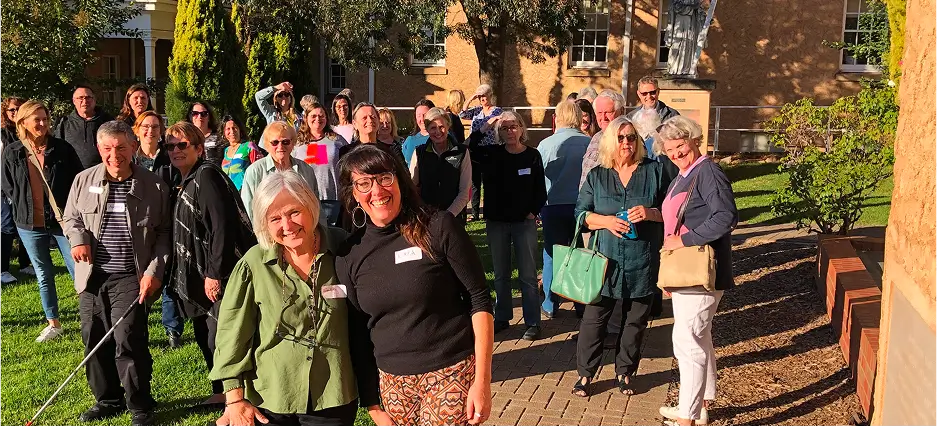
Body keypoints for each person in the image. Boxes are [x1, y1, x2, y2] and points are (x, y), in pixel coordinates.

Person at [336, 144, 494, 426]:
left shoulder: (437, 227)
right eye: (364, 183)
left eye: (385, 178)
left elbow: (479, 299)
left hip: (450, 373)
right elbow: (359, 333)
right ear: (353, 195)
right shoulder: (350, 255)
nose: (378, 191)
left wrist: (482, 382)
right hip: (393, 386)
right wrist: (373, 406)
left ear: (399, 180)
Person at [212, 171, 368, 427]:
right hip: (270, 396)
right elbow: (232, 333)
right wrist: (234, 398)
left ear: (311, 206)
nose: (287, 225)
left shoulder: (344, 247)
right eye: (275, 218)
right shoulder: (254, 264)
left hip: (332, 395)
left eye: (294, 212)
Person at [62, 120, 170, 427]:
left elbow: (163, 234)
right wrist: (79, 239)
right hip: (92, 277)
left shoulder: (155, 186)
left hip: (130, 276)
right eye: (108, 148)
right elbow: (70, 217)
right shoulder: (83, 180)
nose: (115, 155)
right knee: (93, 337)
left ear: (133, 147)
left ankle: (140, 405)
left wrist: (154, 272)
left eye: (121, 148)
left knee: (128, 339)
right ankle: (108, 399)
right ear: (99, 149)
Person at [572, 116, 674, 398]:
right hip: (604, 261)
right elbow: (580, 215)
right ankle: (585, 374)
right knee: (594, 320)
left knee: (635, 321)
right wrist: (604, 222)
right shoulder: (598, 175)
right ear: (610, 142)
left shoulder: (655, 171)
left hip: (642, 258)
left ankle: (625, 372)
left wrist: (651, 214)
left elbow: (675, 211)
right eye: (620, 138)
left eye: (631, 137)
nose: (627, 143)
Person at [165, 121, 256, 405]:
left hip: (220, 272)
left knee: (221, 335)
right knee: (206, 332)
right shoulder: (186, 179)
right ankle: (221, 391)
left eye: (183, 145)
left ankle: (238, 394)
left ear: (199, 148)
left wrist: (214, 273)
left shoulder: (206, 176)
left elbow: (223, 226)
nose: (176, 151)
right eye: (170, 146)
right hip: (201, 271)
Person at [656, 116, 737, 427]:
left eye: (680, 146)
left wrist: (684, 240)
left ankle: (687, 417)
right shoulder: (684, 175)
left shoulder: (708, 172)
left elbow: (726, 217)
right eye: (669, 149)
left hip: (702, 270)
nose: (676, 153)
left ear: (694, 140)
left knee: (687, 341)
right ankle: (700, 405)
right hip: (685, 270)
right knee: (698, 338)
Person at [0, 100, 82, 342]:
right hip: (28, 224)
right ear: (22, 122)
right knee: (44, 274)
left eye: (45, 118)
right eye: (36, 119)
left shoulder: (62, 149)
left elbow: (77, 181)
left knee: (79, 270)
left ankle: (91, 316)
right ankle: (53, 323)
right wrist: (22, 205)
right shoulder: (13, 151)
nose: (42, 123)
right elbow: (7, 184)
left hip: (61, 221)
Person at [468, 112, 546, 341]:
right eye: (505, 128)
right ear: (499, 133)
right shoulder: (491, 155)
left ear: (521, 129)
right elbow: (470, 145)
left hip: (524, 222)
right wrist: (487, 125)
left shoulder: (533, 156)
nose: (510, 131)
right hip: (497, 221)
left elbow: (540, 188)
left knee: (528, 274)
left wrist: (533, 211)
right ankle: (502, 316)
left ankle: (532, 321)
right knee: (501, 272)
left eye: (514, 127)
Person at [130, 111, 184, 349]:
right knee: (139, 276)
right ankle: (137, 326)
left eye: (155, 127)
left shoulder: (169, 157)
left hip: (166, 222)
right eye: (145, 126)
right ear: (137, 129)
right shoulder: (129, 157)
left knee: (168, 276)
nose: (150, 131)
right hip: (137, 227)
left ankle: (173, 329)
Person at [537, 100, 591, 319]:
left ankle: (550, 302)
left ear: (557, 117)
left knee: (552, 254)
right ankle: (580, 303)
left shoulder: (546, 144)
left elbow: (539, 178)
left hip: (553, 204)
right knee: (578, 252)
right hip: (580, 205)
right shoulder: (588, 142)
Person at [242, 122, 319, 222]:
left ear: (293, 143)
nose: (280, 146)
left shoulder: (306, 170)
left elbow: (316, 207)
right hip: (266, 234)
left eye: (285, 142)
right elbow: (247, 212)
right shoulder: (254, 172)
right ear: (267, 145)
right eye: (275, 142)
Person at [409, 107, 472, 219]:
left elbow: (465, 191)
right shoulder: (419, 153)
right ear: (427, 129)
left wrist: (448, 216)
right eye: (433, 128)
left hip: (453, 218)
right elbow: (412, 187)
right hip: (427, 218)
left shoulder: (462, 152)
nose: (438, 132)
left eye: (441, 127)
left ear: (448, 126)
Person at [295, 102, 347, 226]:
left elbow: (349, 163)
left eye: (321, 116)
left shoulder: (337, 140)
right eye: (313, 116)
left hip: (331, 199)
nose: (317, 119)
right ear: (306, 118)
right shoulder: (297, 143)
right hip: (306, 199)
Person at [0, 96, 33, 283]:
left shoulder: (27, 133)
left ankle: (24, 263)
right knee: (6, 227)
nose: (15, 113)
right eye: (12, 110)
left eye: (19, 109)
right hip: (4, 190)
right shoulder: (2, 135)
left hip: (25, 188)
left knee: (25, 224)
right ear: (5, 112)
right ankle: (2, 269)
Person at [460, 84, 503, 221]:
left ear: (490, 95)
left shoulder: (496, 111)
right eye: (480, 96)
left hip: (490, 148)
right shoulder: (476, 110)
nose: (482, 99)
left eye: (483, 95)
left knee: (489, 181)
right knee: (475, 182)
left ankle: (489, 211)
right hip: (475, 149)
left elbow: (490, 124)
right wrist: (472, 97)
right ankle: (475, 213)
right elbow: (462, 113)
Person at [54, 85, 114, 169]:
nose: (85, 101)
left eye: (88, 97)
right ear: (74, 101)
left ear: (94, 100)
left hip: (101, 173)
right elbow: (58, 151)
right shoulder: (64, 123)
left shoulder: (108, 122)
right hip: (72, 176)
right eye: (80, 98)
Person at [338, 103, 406, 166]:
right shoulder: (346, 152)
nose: (370, 121)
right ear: (355, 124)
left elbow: (404, 176)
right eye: (364, 118)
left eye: (373, 117)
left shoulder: (391, 151)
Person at [220, 115, 263, 191]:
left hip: (246, 191)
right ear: (224, 132)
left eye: (234, 128)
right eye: (228, 129)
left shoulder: (249, 146)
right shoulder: (226, 150)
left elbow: (259, 171)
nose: (232, 131)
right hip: (230, 195)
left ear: (240, 129)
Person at [185, 102, 224, 166]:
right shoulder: (185, 139)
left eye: (204, 114)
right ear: (190, 117)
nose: (200, 117)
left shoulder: (219, 137)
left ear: (209, 117)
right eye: (195, 113)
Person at [401, 99, 435, 168]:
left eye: (425, 115)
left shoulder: (441, 138)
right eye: (419, 115)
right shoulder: (410, 140)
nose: (422, 119)